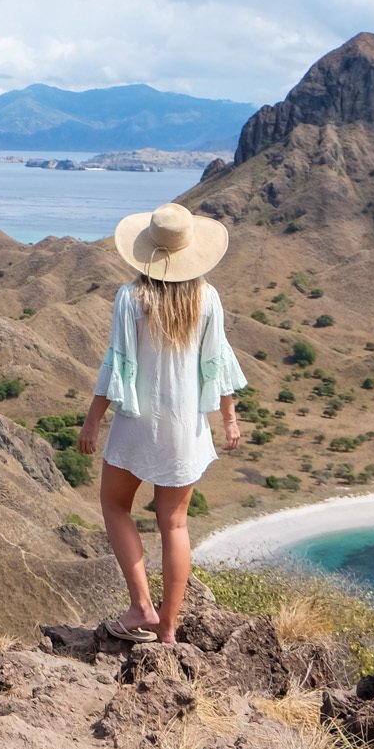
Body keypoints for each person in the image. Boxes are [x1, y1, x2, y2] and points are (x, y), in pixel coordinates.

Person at [76, 201, 245, 644]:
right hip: (185, 429)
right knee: (175, 523)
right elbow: (217, 365)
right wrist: (228, 419)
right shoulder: (207, 298)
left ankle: (141, 608)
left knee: (115, 507)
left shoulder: (131, 298)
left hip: (136, 424)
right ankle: (168, 629)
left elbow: (116, 367)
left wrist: (92, 422)